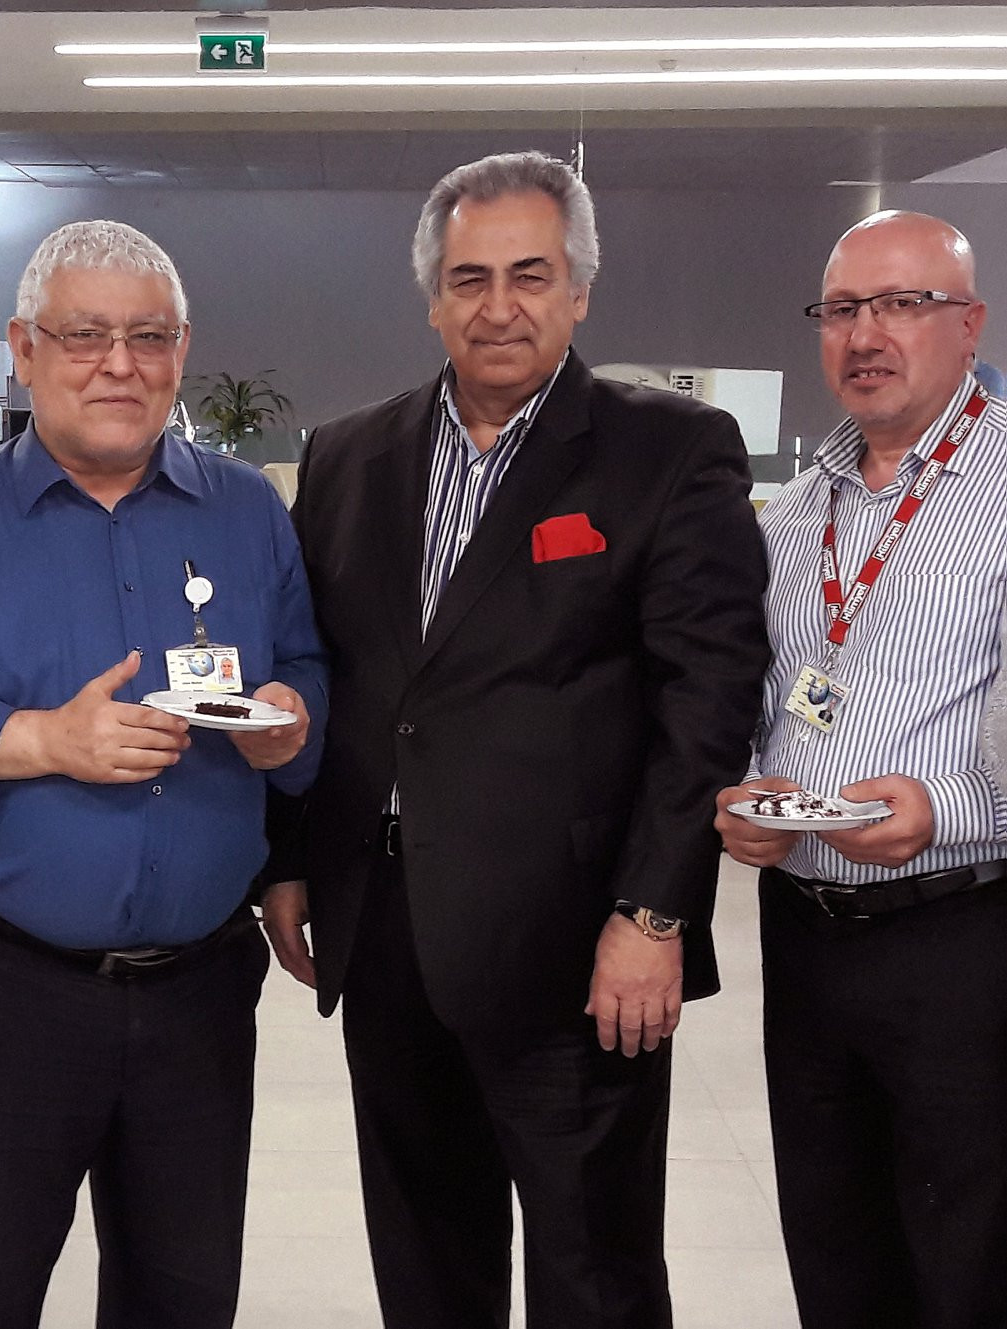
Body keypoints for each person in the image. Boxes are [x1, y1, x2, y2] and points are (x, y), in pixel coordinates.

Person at [260, 151, 769, 1328]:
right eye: (469, 278)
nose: (499, 306)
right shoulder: (347, 458)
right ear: (432, 299)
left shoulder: (669, 451)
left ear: (578, 289)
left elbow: (707, 697)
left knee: (594, 1275)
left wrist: (654, 914)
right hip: (386, 936)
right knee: (424, 1267)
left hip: (577, 949)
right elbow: (316, 673)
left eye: (530, 275)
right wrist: (286, 858)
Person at [0, 219, 327, 1328]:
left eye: (148, 337)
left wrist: (290, 721)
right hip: (1, 993)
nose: (119, 364)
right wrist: (44, 741)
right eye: (84, 335)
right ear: (23, 348)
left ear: (181, 349)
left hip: (199, 992)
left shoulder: (244, 510)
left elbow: (303, 664)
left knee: (181, 1295)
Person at [715, 211, 1007, 1329]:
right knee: (834, 1250)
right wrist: (749, 785)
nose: (864, 334)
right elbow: (765, 691)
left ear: (968, 322)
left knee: (968, 1258)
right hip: (806, 936)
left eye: (901, 304)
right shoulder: (794, 514)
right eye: (841, 309)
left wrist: (950, 807)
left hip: (964, 938)